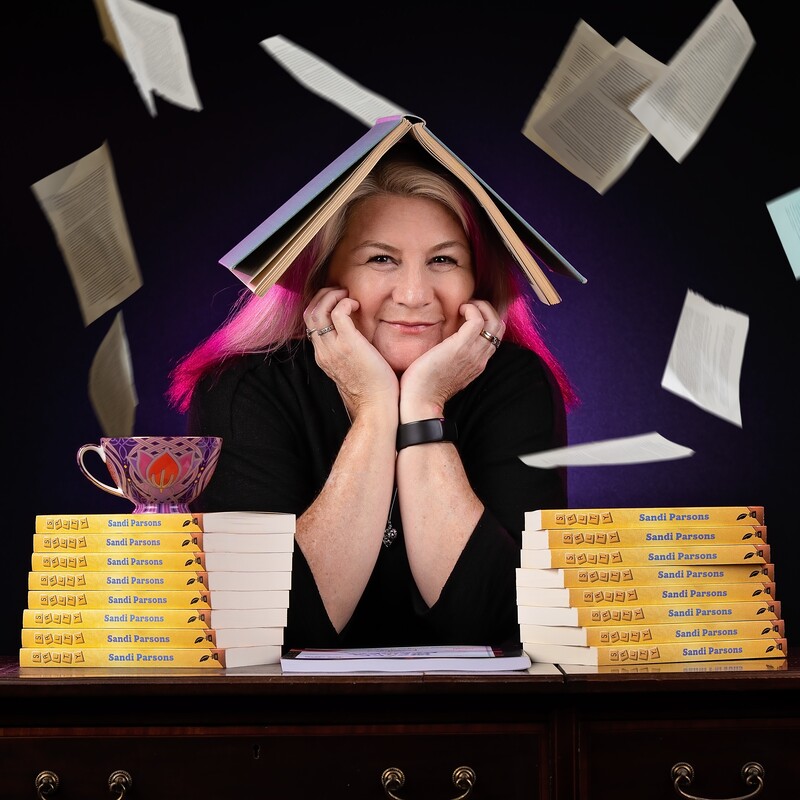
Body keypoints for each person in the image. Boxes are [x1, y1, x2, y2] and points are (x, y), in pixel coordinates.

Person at [166, 144, 577, 651]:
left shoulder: (515, 383)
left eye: (443, 260)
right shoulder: (245, 388)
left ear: (477, 282)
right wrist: (375, 408)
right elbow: (278, 629)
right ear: (324, 280)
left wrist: (424, 405)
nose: (414, 294)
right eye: (381, 258)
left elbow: (504, 625)